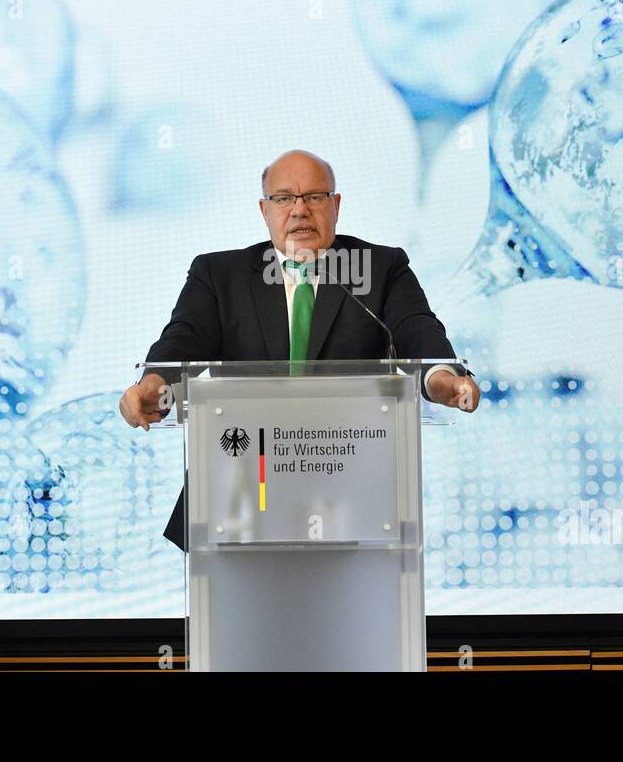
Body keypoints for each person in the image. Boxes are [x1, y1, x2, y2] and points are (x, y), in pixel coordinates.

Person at [120, 149, 481, 550]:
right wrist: (154, 381)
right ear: (264, 209)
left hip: (351, 491)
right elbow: (183, 337)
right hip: (240, 490)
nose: (299, 210)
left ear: (335, 205)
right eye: (283, 198)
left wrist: (441, 377)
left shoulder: (379, 268)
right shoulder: (220, 276)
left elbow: (416, 329)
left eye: (314, 197)